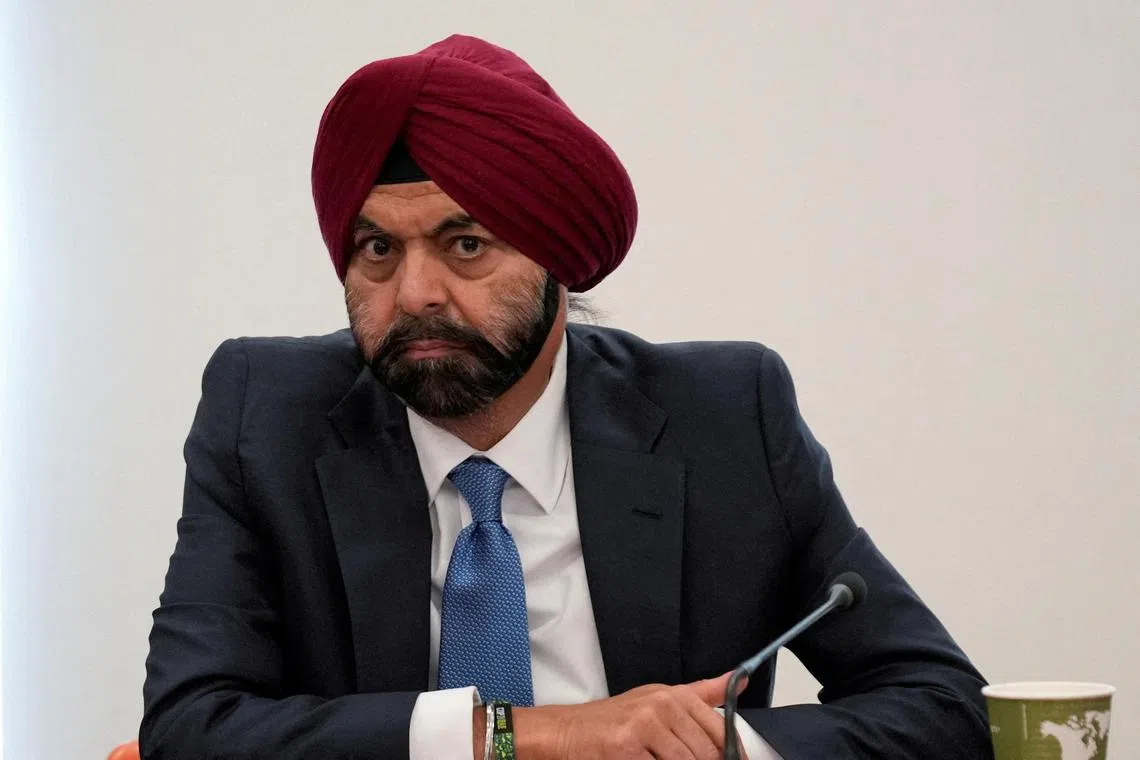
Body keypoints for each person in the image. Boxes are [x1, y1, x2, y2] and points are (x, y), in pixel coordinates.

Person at [140, 34, 992, 760]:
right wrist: (535, 735)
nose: (415, 294)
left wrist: (711, 745)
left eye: (465, 243)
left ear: (559, 262)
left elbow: (940, 701)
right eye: (376, 250)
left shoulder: (727, 416)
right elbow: (191, 722)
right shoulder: (266, 413)